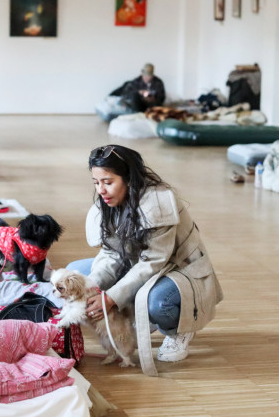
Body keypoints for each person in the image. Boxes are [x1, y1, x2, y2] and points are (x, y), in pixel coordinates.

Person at [67, 145, 223, 375]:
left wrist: (110, 298)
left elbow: (153, 262)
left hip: (177, 270)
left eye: (108, 182)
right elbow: (111, 254)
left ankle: (178, 328)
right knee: (76, 274)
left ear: (129, 178)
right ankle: (137, 316)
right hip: (140, 265)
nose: (101, 190)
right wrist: (91, 288)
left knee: (158, 303)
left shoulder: (158, 203)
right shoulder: (109, 202)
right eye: (96, 182)